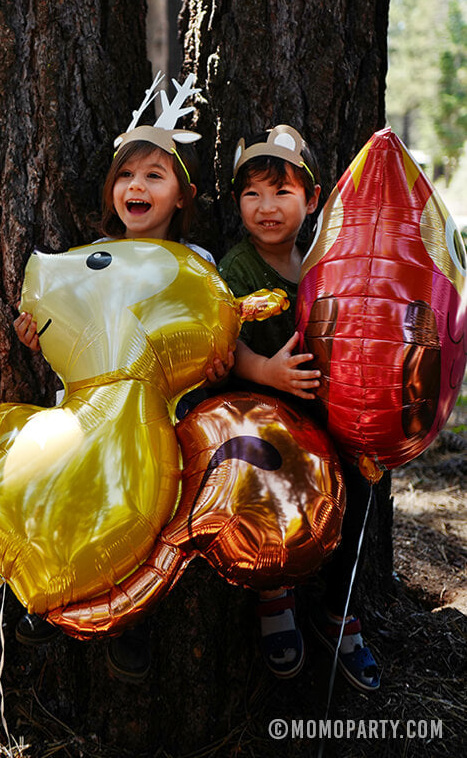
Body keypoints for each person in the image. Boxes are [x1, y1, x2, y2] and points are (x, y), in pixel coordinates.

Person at [14, 73, 229, 682]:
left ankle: (129, 617)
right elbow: (70, 328)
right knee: (63, 485)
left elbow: (207, 328)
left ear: (181, 196)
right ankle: (41, 589)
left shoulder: (199, 266)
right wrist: (38, 336)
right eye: (127, 176)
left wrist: (215, 359)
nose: (137, 186)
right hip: (89, 404)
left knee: (143, 509)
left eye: (155, 176)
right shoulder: (91, 258)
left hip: (163, 410)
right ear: (113, 190)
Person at [217, 125, 380, 693]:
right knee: (272, 492)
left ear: (312, 200)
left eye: (282, 193)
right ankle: (274, 594)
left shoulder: (320, 260)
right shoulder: (238, 267)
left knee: (361, 483)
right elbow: (221, 339)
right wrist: (265, 370)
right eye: (252, 194)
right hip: (267, 410)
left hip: (327, 411)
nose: (266, 208)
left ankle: (341, 609)